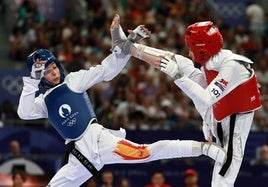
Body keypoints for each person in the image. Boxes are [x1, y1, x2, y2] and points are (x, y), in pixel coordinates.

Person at [17, 15, 226, 187]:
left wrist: (129, 42)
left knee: (144, 152)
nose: (52, 73)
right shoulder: (43, 102)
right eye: (46, 72)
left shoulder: (73, 81)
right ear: (39, 77)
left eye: (53, 67)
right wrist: (30, 82)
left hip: (100, 140)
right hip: (79, 156)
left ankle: (203, 148)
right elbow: (24, 113)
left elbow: (107, 70)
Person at [129, 21, 262, 187]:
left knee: (223, 178)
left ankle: (133, 50)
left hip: (235, 123)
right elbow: (204, 96)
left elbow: (206, 99)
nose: (190, 52)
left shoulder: (232, 66)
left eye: (191, 48)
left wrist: (177, 75)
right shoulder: (212, 60)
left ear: (203, 48)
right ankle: (133, 49)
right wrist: (207, 121)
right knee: (180, 63)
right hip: (220, 111)